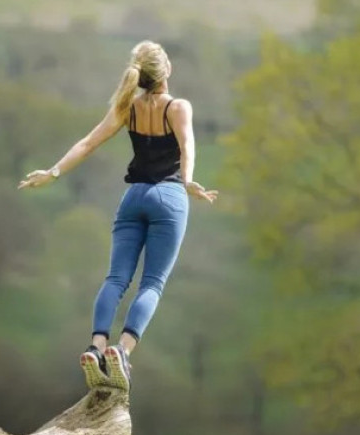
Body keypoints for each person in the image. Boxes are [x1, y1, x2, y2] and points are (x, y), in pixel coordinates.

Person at [18, 40, 218, 391]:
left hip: (133, 199)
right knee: (152, 282)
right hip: (168, 198)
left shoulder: (129, 108)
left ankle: (95, 348)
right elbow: (187, 145)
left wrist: (53, 173)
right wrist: (187, 182)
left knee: (115, 280)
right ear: (166, 71)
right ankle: (122, 352)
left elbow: (88, 143)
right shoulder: (178, 107)